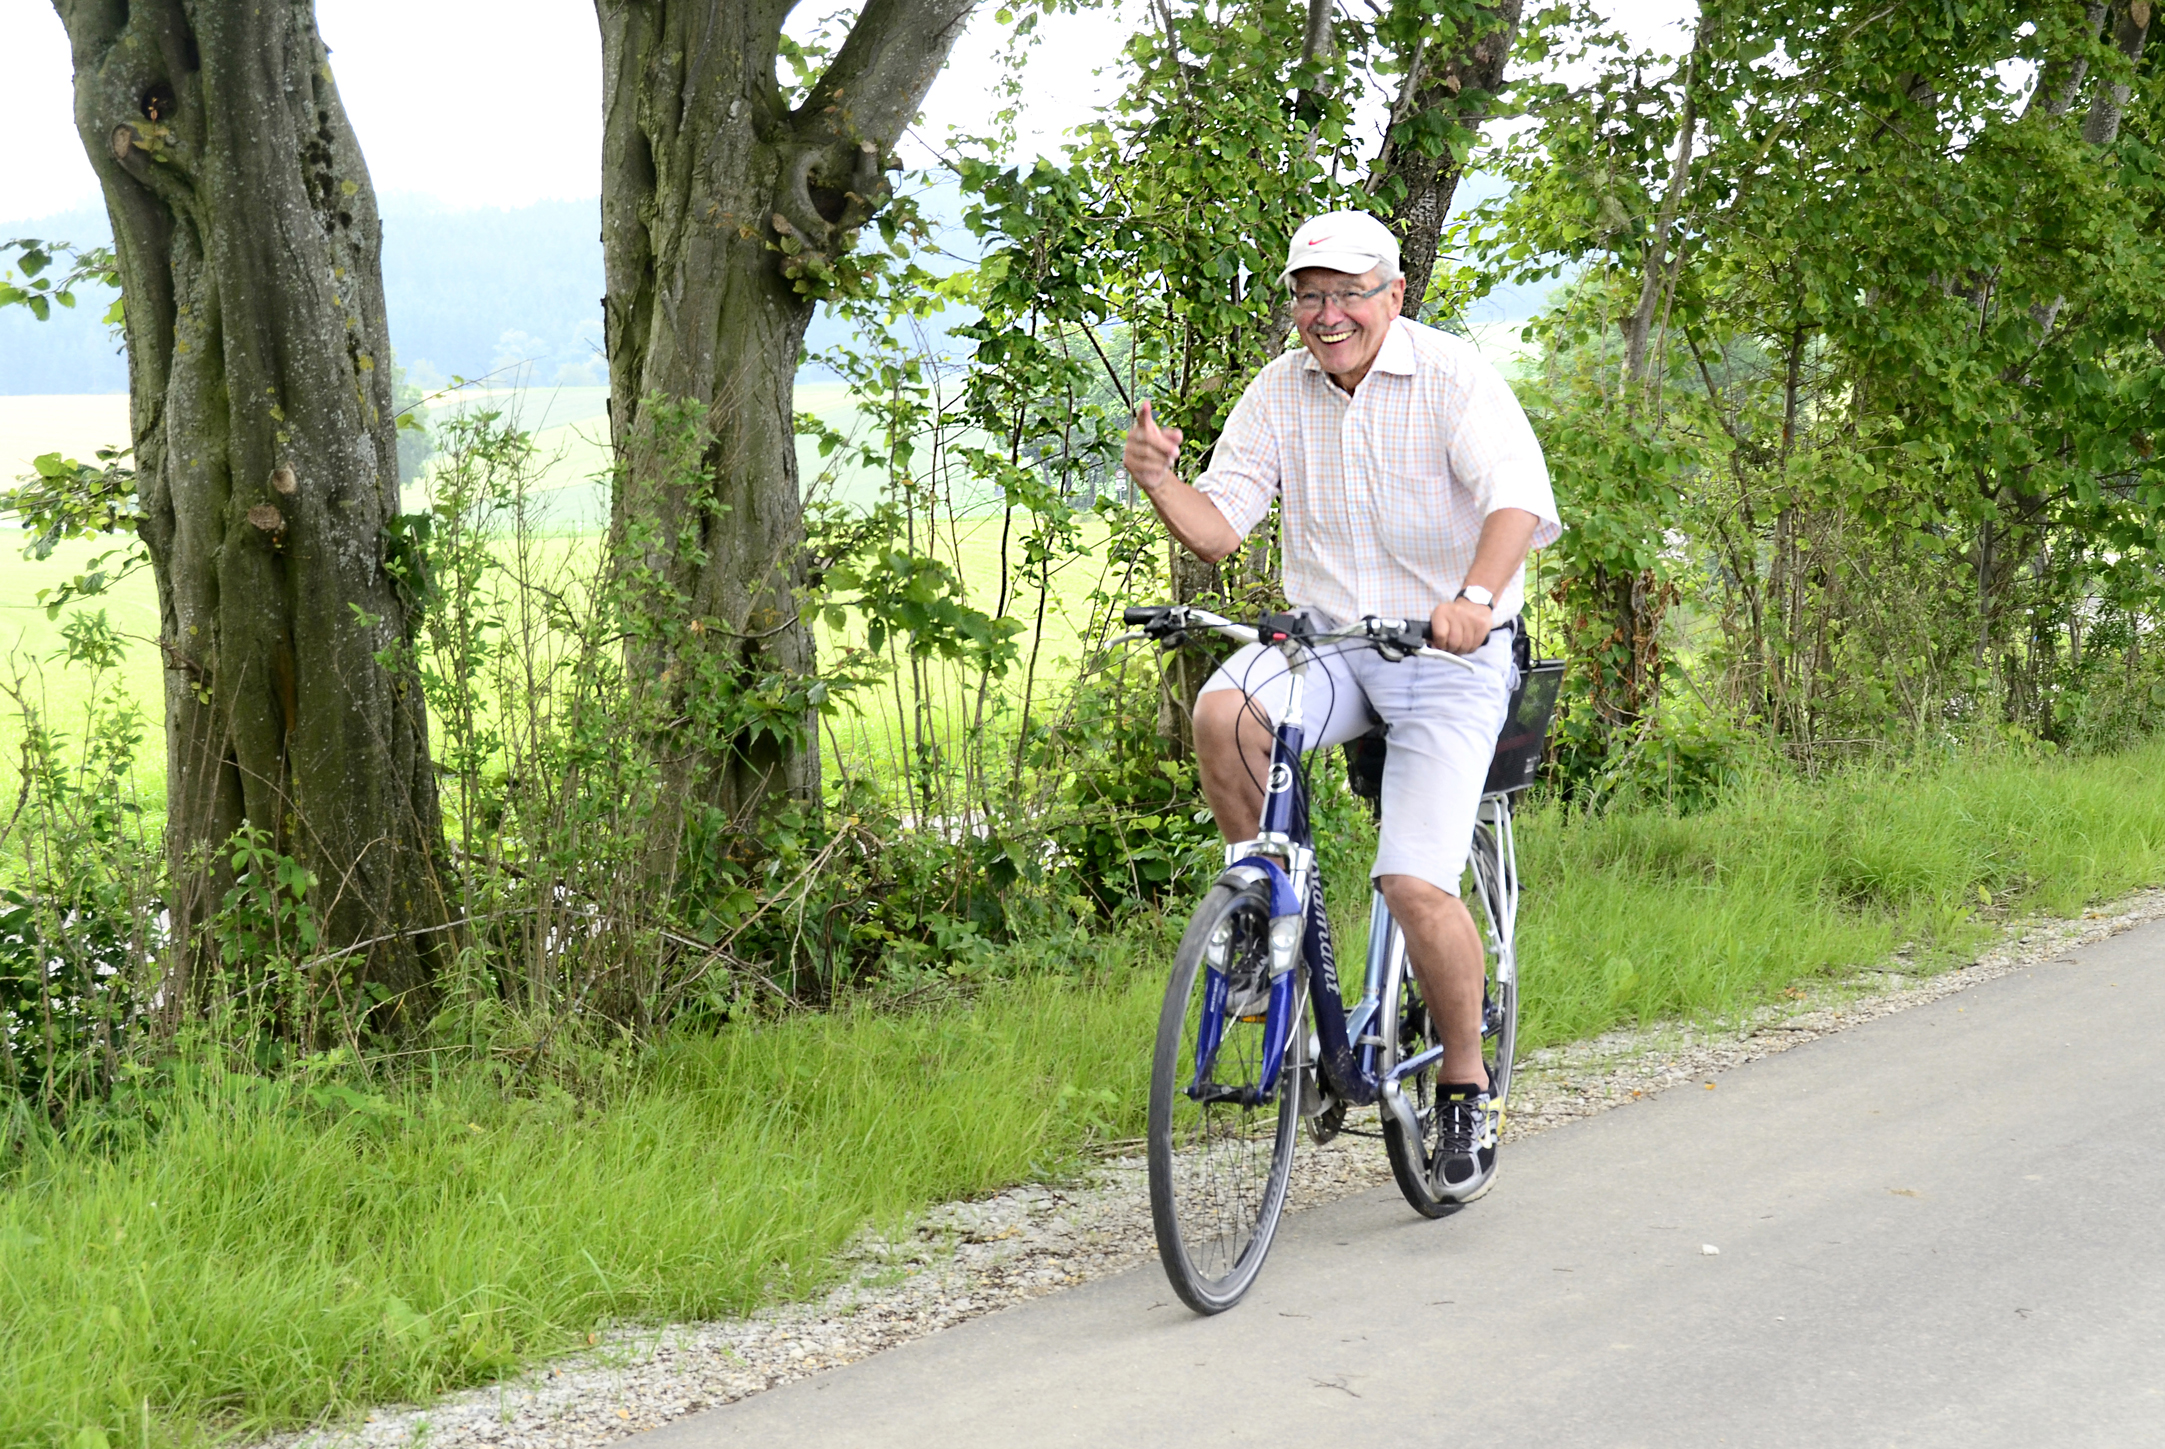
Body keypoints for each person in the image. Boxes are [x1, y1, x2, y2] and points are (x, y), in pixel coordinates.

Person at [1121, 209, 1561, 1203]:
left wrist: (1475, 601)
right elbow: (1218, 531)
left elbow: (1515, 506)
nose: (1326, 315)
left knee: (1412, 882)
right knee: (1221, 713)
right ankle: (1255, 914)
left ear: (1392, 296)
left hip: (1448, 655)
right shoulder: (1278, 392)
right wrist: (1159, 479)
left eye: (1347, 293)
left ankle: (1462, 1079)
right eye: (1308, 295)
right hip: (1327, 645)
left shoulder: (1449, 377)